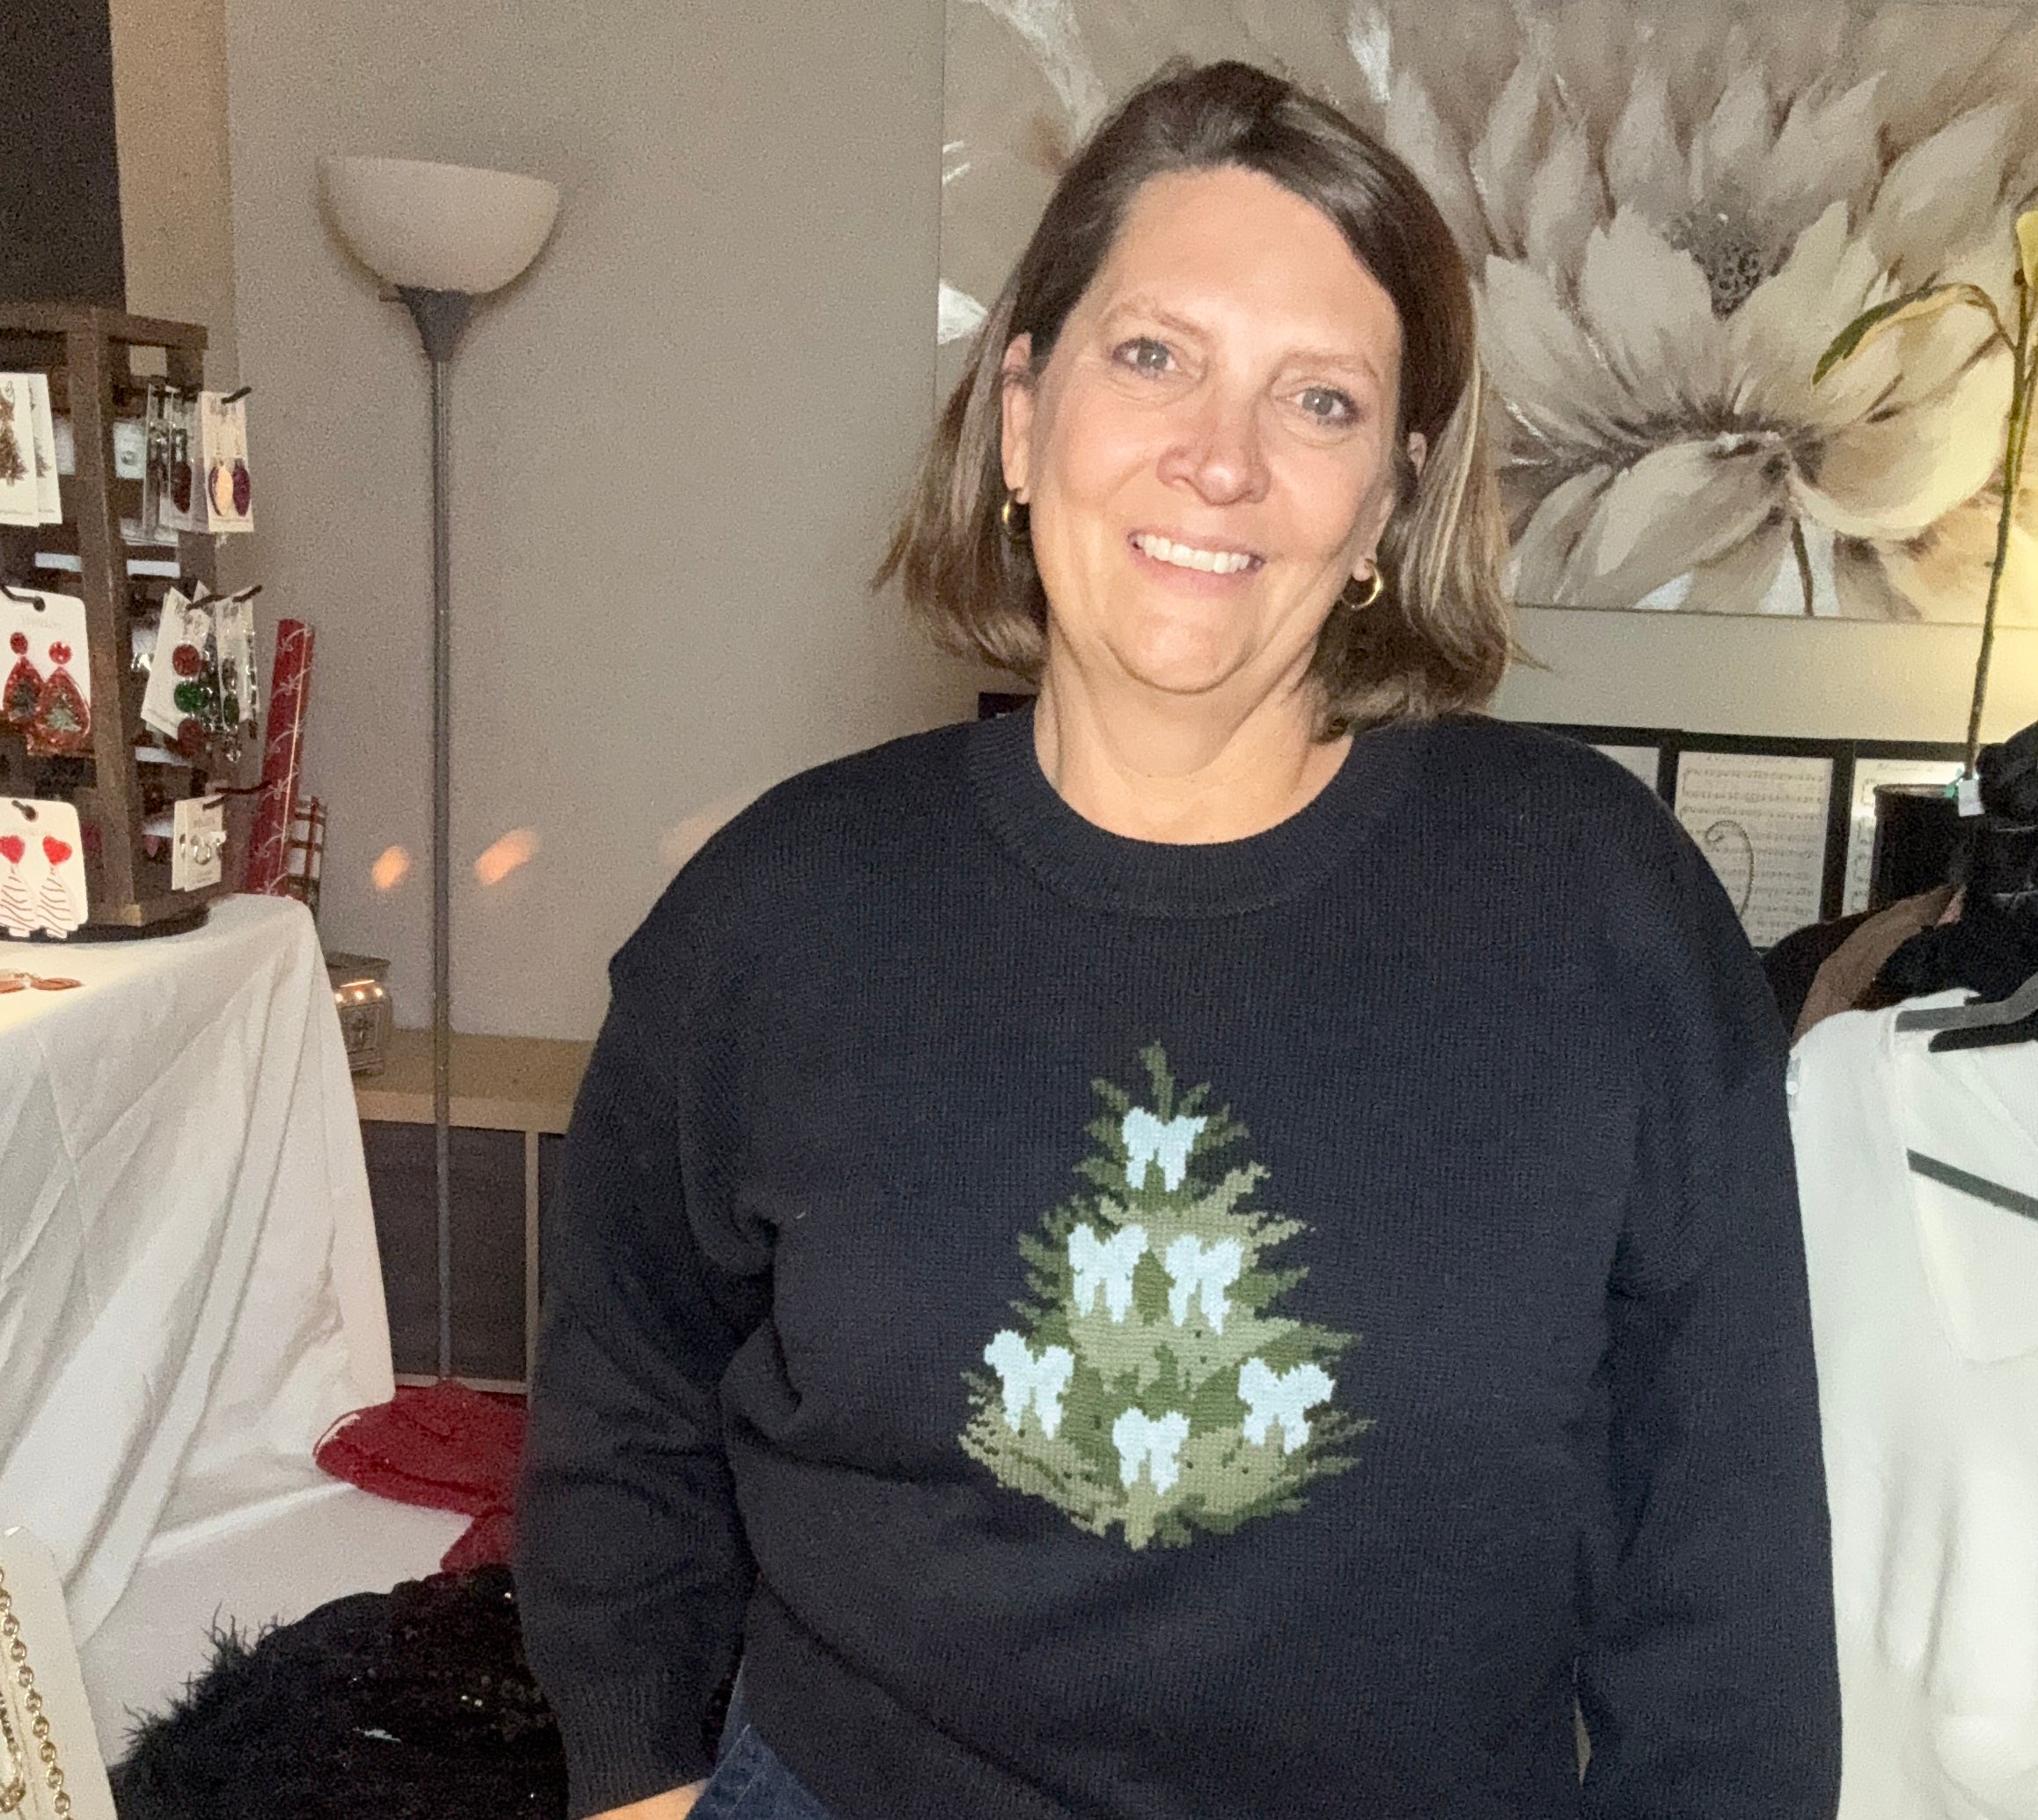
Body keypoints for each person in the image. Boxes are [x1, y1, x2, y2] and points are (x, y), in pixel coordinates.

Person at [515, 60, 1841, 1820]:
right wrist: (647, 1787)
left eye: (1319, 399)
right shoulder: (774, 915)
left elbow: (1729, 1535)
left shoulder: (1601, 906)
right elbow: (625, 1414)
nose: (1219, 460)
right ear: (1020, 414)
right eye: (1153, 355)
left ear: (1387, 499)